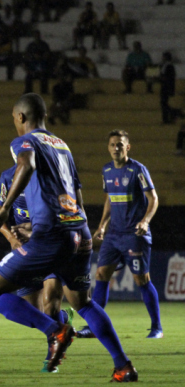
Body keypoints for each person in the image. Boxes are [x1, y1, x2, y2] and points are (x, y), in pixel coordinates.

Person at [0, 93, 138, 383]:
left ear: (21, 118)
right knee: (84, 303)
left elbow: (26, 166)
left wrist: (4, 211)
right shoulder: (61, 145)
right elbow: (77, 193)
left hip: (51, 235)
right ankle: (123, 366)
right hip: (79, 229)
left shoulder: (25, 141)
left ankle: (56, 331)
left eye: (14, 119)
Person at [0, 163, 75, 372]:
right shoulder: (9, 176)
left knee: (50, 301)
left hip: (52, 244)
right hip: (27, 251)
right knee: (35, 311)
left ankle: (52, 359)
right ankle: (63, 320)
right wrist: (11, 238)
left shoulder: (53, 175)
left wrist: (33, 231)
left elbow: (69, 214)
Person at [81, 130, 162, 339]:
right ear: (108, 148)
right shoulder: (106, 170)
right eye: (112, 144)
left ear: (128, 147)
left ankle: (156, 327)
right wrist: (102, 225)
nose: (116, 148)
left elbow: (153, 199)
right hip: (113, 235)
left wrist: (145, 221)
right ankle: (94, 326)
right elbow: (109, 199)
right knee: (100, 275)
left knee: (141, 279)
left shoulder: (138, 170)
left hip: (134, 234)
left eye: (120, 144)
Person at [23, 30, 51, 95]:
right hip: (33, 67)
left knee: (44, 76)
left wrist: (41, 57)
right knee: (28, 77)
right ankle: (28, 91)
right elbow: (26, 56)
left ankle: (44, 91)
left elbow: (47, 55)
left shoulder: (44, 45)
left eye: (37, 35)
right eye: (35, 35)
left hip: (42, 67)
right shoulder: (30, 46)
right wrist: (33, 57)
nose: (37, 37)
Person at [159, 52, 177, 124]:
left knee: (163, 103)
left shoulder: (168, 66)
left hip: (166, 87)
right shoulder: (167, 65)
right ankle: (172, 114)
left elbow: (168, 77)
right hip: (166, 86)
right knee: (164, 103)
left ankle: (169, 116)